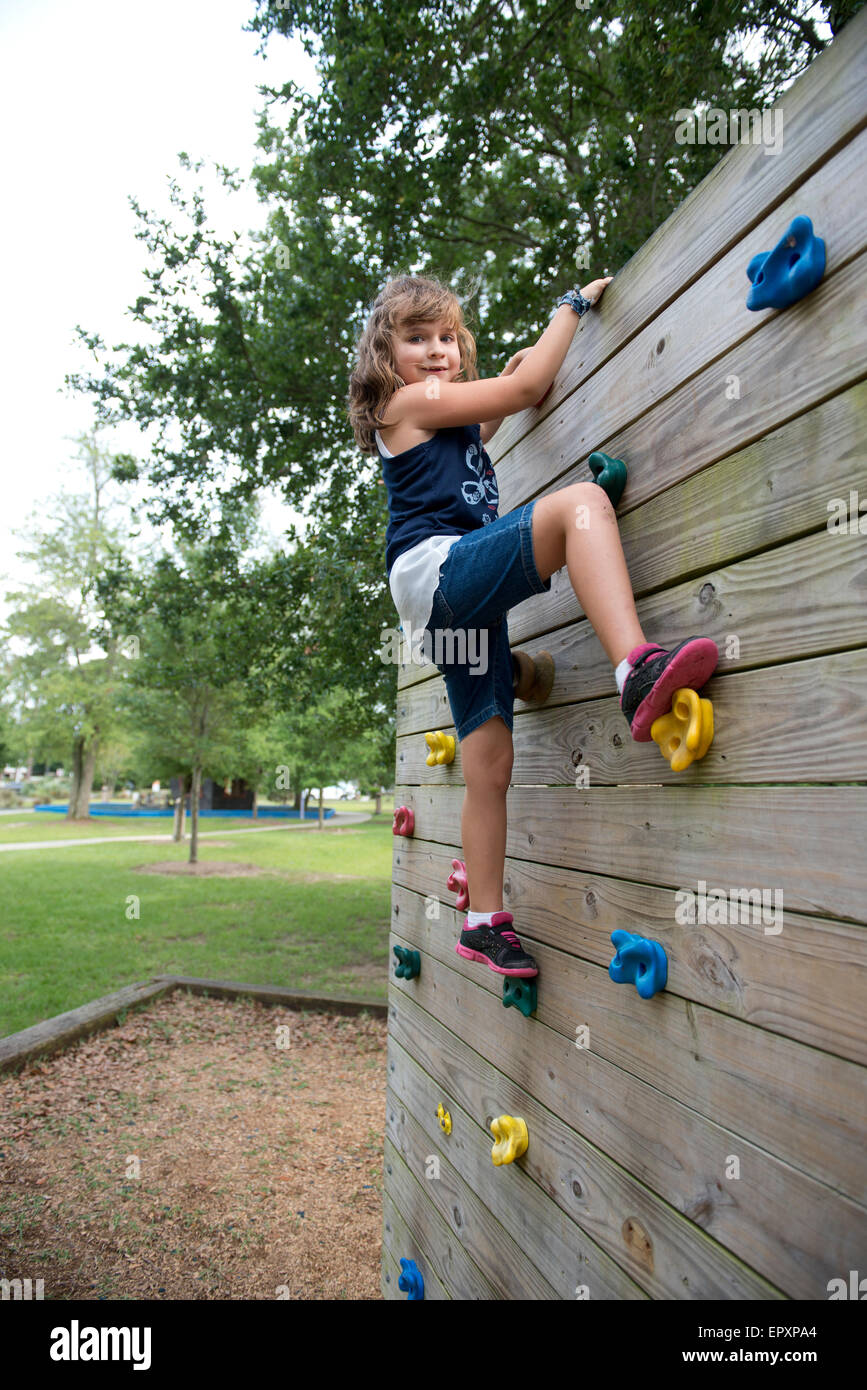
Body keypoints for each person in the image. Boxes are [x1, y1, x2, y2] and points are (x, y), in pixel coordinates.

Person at [348, 274, 718, 979]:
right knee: (577, 506)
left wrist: (517, 376)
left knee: (488, 765)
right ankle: (634, 669)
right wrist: (570, 308)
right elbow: (522, 394)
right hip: (439, 573)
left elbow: (501, 408)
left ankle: (483, 920)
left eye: (447, 338)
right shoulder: (408, 402)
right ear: (384, 355)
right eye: (416, 338)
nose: (435, 351)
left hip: (449, 605)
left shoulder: (443, 418)